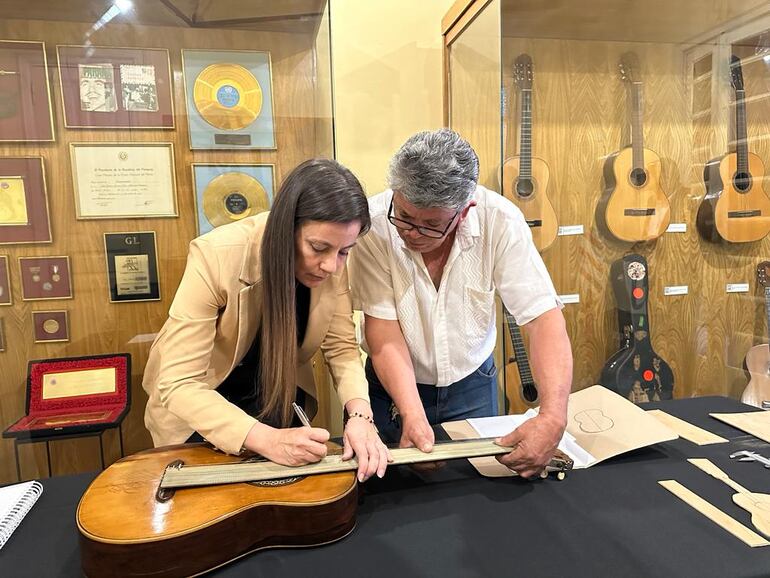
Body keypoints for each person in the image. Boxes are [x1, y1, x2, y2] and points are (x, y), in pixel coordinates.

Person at [143, 159, 390, 482]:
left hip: (277, 397)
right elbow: (179, 383)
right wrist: (266, 439)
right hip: (202, 410)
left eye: (345, 251)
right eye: (318, 247)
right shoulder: (216, 255)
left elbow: (342, 349)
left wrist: (360, 416)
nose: (331, 266)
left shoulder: (331, 266)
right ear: (285, 228)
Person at [349, 129, 573, 479]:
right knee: (392, 496)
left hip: (473, 384)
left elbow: (542, 317)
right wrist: (413, 413)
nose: (413, 233)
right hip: (393, 388)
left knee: (480, 497)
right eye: (405, 217)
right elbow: (383, 334)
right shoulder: (375, 225)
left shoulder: (500, 220)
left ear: (465, 210)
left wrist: (553, 416)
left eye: (432, 224)